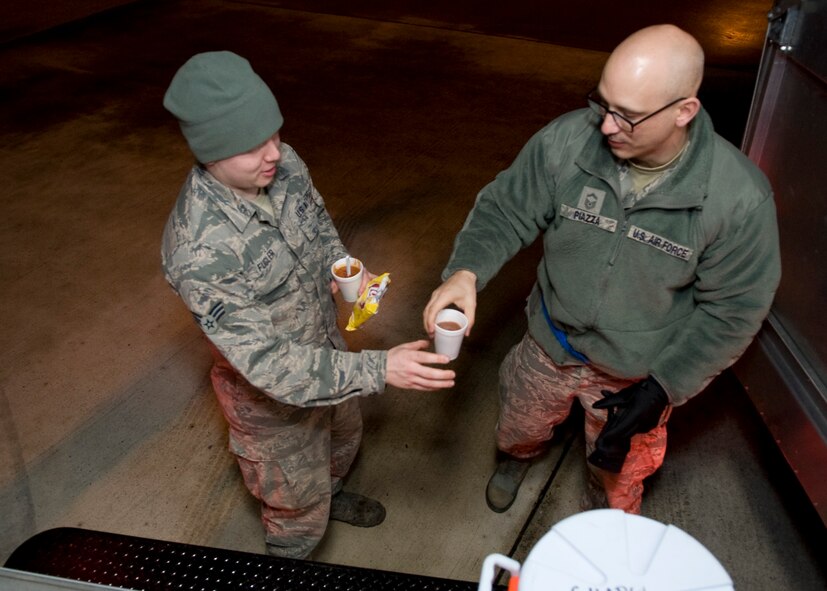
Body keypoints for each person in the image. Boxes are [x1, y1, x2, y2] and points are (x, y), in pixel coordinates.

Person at [423, 24, 780, 515]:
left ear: (684, 111)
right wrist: (466, 271)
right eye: (603, 103)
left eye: (628, 116)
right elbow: (506, 208)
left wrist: (662, 388)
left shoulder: (736, 198)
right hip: (551, 343)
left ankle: (606, 499)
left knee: (619, 471)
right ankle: (517, 457)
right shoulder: (567, 142)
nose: (607, 125)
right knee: (521, 424)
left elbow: (734, 311)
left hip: (638, 372)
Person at [161, 51, 455, 559]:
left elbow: (317, 228)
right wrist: (381, 367)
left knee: (343, 440)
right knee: (294, 502)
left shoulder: (285, 164)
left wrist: (345, 268)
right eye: (251, 146)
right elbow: (270, 365)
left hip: (327, 354)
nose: (273, 152)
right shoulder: (198, 250)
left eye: (274, 133)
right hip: (271, 403)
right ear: (210, 153)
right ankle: (292, 548)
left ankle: (332, 493)